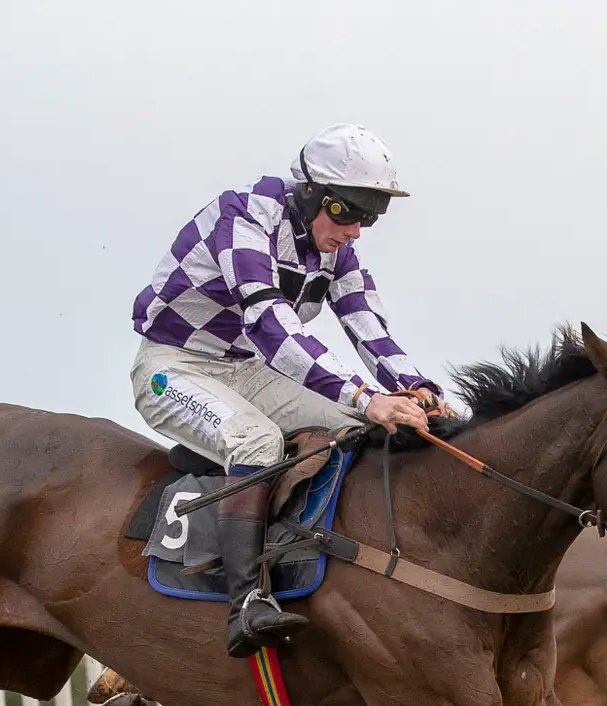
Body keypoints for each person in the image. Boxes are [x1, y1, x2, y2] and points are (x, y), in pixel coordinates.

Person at [130, 123, 440, 657]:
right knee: (257, 443)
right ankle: (245, 602)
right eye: (349, 211)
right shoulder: (244, 216)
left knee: (365, 425)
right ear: (310, 194)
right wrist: (366, 395)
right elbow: (272, 328)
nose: (357, 230)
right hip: (173, 368)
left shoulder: (335, 251)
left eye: (371, 215)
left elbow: (368, 326)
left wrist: (416, 388)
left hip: (246, 369)